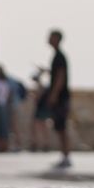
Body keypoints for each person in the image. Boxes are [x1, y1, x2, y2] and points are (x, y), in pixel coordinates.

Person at [39, 30, 72, 169]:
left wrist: (53, 95)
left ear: (57, 39)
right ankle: (64, 155)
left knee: (61, 127)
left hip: (60, 98)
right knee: (59, 127)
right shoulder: (57, 56)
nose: (48, 39)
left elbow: (60, 77)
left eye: (51, 37)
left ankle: (66, 156)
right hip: (60, 96)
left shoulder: (59, 56)